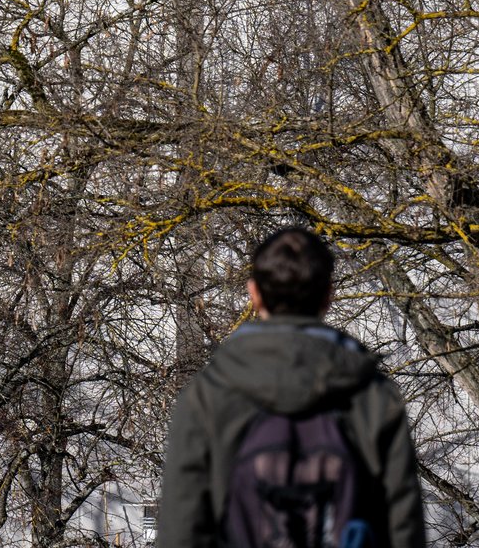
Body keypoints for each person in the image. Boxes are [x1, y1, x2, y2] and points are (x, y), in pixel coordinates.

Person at [160, 228, 425, 548]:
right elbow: (403, 528)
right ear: (329, 294)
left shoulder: (208, 396)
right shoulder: (372, 395)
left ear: (254, 293)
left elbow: (182, 531)